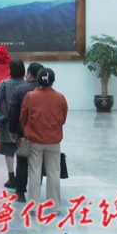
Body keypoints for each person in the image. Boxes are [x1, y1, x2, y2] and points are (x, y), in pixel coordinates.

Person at [21, 68, 67, 215]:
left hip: (35, 140)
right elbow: (63, 119)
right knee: (54, 173)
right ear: (53, 81)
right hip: (54, 140)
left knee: (35, 172)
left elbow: (23, 117)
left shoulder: (30, 97)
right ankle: (55, 207)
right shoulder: (60, 98)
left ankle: (33, 207)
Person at [8, 62, 43, 202]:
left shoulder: (20, 90)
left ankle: (20, 192)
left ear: (28, 75)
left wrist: (13, 130)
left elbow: (13, 112)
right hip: (41, 133)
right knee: (37, 163)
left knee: (22, 162)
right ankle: (35, 192)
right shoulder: (46, 90)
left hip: (24, 132)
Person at [0, 58, 26, 190]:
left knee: (9, 152)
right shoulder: (27, 85)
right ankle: (21, 177)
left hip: (7, 123)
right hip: (23, 124)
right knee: (22, 152)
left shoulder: (4, 84)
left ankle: (11, 178)